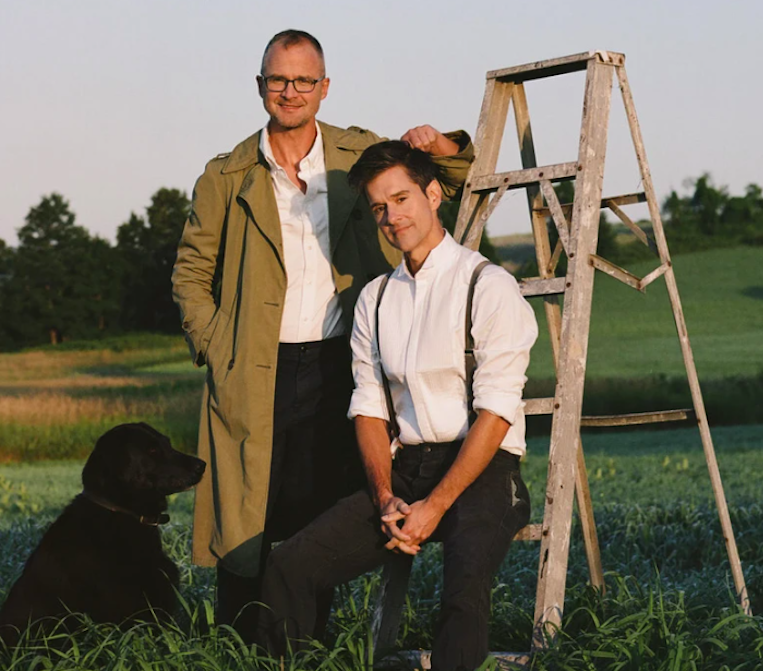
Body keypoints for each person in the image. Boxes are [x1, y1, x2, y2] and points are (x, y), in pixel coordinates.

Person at [171, 29, 473, 639]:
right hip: (254, 366)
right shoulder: (226, 174)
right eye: (279, 79)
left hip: (343, 361)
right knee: (248, 510)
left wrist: (442, 143)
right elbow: (190, 273)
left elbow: (448, 179)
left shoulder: (357, 153)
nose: (291, 91)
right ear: (261, 87)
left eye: (304, 80)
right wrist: (216, 349)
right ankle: (237, 645)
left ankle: (308, 643)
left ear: (324, 88)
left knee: (319, 511)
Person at [255, 141, 538, 671]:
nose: (392, 217)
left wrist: (437, 506)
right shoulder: (376, 298)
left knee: (464, 583)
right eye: (380, 207)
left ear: (434, 194)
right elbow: (368, 409)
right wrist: (385, 497)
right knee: (291, 564)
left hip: (481, 469)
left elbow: (496, 413)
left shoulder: (487, 285)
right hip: (404, 471)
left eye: (402, 199)